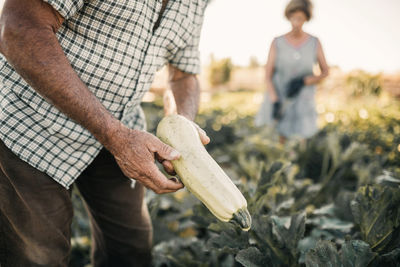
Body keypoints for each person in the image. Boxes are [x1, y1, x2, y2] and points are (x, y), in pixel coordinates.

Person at [0, 0, 210, 266]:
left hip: (123, 133)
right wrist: (115, 135)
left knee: (130, 252)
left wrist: (184, 127)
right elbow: (19, 28)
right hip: (34, 126)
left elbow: (183, 75)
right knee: (38, 258)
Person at [255, 0, 329, 143]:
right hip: (281, 95)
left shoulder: (314, 42)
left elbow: (325, 72)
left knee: (301, 140)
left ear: (306, 18)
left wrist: (305, 81)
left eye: (300, 18)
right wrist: (274, 100)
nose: (296, 22)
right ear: (288, 17)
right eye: (293, 18)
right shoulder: (277, 42)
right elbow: (267, 75)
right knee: (280, 139)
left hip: (303, 97)